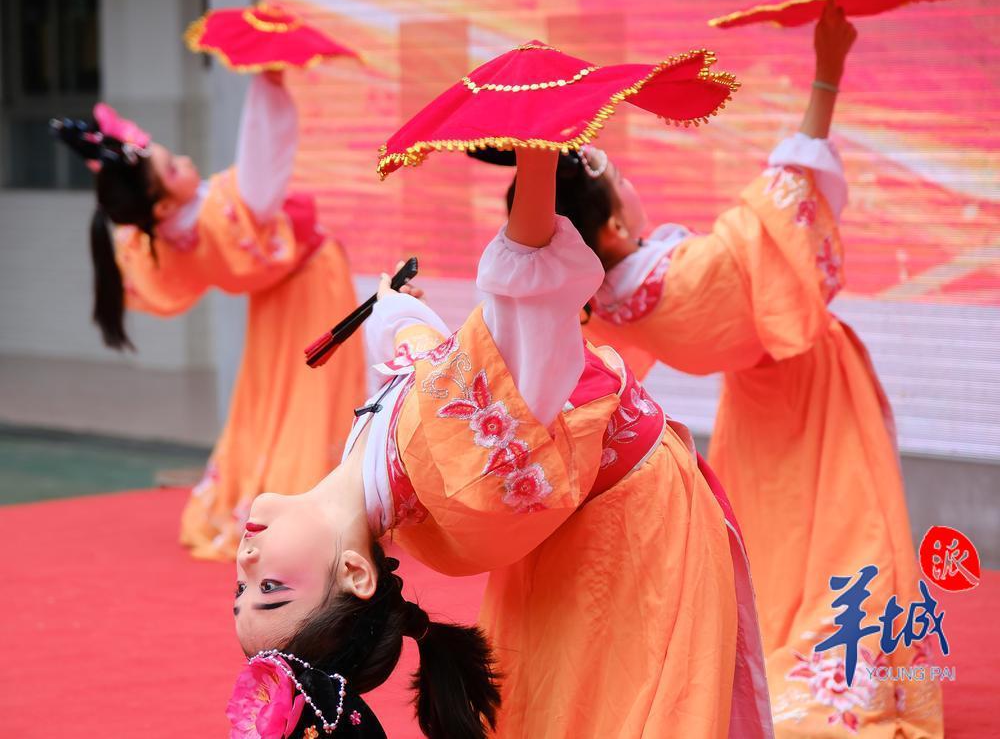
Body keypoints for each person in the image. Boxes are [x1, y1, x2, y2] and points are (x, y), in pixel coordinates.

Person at [228, 146, 773, 738]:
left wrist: (394, 312)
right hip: (631, 533)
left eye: (242, 590)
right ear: (358, 574)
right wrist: (535, 164)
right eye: (272, 590)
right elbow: (524, 320)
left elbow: (428, 368)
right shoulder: (440, 472)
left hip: (596, 529)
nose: (247, 560)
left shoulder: (390, 473)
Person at [501, 4, 941, 737]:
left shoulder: (609, 301)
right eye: (613, 171)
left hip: (753, 407)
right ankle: (848, 685)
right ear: (610, 227)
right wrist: (826, 73)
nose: (626, 173)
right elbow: (785, 198)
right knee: (848, 536)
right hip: (808, 387)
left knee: (779, 551)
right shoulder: (692, 275)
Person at [52, 71, 367, 561]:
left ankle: (282, 503)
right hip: (311, 291)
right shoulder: (220, 215)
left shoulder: (163, 235)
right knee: (313, 400)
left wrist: (110, 153)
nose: (186, 161)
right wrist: (270, 83)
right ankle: (315, 512)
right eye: (174, 167)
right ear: (160, 202)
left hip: (276, 303)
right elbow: (267, 149)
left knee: (273, 405)